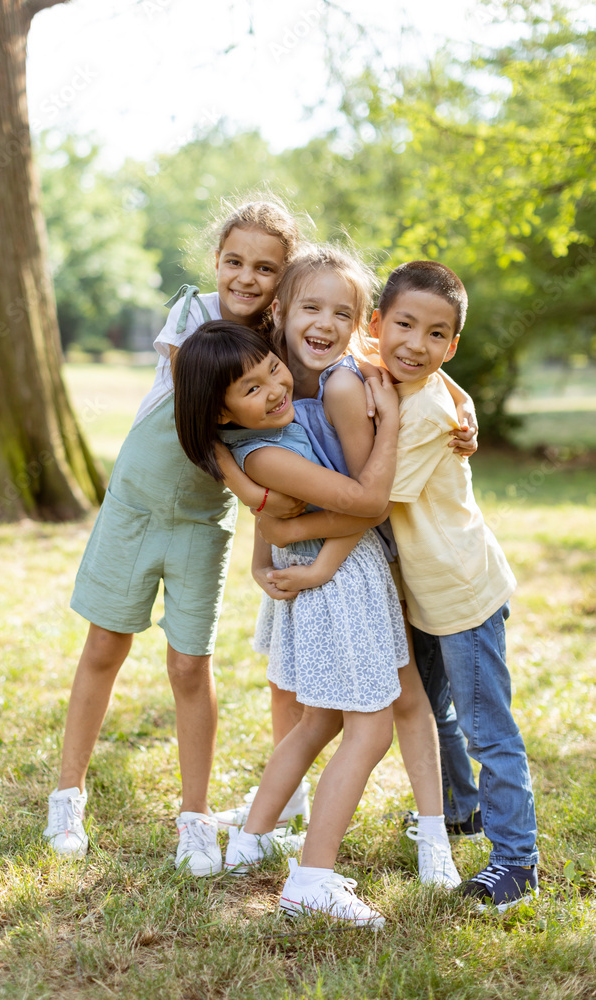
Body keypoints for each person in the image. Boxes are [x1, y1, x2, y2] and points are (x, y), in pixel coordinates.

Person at [264, 259, 539, 912]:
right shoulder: (393, 369)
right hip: (416, 594)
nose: (415, 344)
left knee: (485, 729)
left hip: (459, 595)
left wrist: (291, 531)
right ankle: (457, 810)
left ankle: (517, 859)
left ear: (451, 345)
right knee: (430, 707)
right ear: (377, 325)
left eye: (435, 335)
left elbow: (371, 506)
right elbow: (402, 364)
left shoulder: (420, 414)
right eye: (404, 326)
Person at [43, 199, 306, 876]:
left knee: (190, 664)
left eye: (265, 268)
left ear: (284, 277)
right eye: (234, 262)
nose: (245, 277)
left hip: (198, 521)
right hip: (135, 502)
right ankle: (67, 794)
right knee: (106, 642)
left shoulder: (281, 345)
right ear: (216, 261)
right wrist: (243, 481)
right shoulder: (191, 315)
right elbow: (200, 413)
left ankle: (194, 819)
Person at [217, 246, 468, 888]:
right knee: (363, 712)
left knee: (389, 704)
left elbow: (365, 500)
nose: (324, 323)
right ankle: (293, 852)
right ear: (281, 311)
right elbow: (319, 499)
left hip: (351, 558)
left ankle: (430, 834)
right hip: (338, 566)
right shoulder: (274, 380)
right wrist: (274, 549)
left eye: (342, 312)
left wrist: (463, 406)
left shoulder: (346, 380)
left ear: (362, 323)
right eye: (311, 307)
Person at [173, 319, 406, 926]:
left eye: (270, 368)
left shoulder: (269, 434)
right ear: (223, 417)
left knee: (318, 721)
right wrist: (394, 426)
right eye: (249, 389)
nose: (274, 387)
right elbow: (370, 503)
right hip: (337, 587)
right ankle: (312, 878)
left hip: (332, 579)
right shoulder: (269, 455)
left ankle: (250, 840)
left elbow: (281, 517)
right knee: (371, 730)